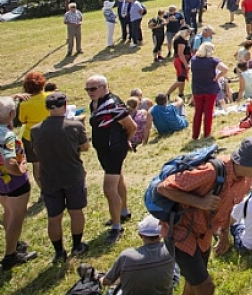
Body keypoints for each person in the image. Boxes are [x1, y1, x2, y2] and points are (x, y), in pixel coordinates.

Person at [156, 137, 252, 295]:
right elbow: (164, 188)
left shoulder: (246, 180)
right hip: (180, 233)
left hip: (203, 235)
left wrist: (224, 232)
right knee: (206, 287)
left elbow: (229, 206)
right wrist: (199, 202)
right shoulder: (211, 172)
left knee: (193, 283)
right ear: (244, 162)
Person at [30, 91, 90, 264]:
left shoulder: (35, 130)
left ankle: (58, 252)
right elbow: (85, 147)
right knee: (76, 212)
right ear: (65, 106)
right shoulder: (75, 126)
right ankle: (77, 246)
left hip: (49, 178)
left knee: (54, 217)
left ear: (47, 108)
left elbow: (35, 152)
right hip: (72, 175)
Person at [85, 74, 137, 242]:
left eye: (93, 89)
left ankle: (116, 227)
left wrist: (125, 140)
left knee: (109, 189)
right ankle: (123, 212)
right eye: (87, 89)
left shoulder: (113, 104)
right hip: (103, 149)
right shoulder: (94, 103)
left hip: (114, 149)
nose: (89, 92)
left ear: (104, 87)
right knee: (118, 179)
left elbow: (132, 126)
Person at [0, 96, 36, 269]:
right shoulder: (7, 136)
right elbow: (10, 162)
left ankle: (13, 243)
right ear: (12, 114)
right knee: (17, 217)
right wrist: (19, 170)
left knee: (8, 211)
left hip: (0, 181)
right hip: (14, 182)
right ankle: (10, 255)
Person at [100, 216, 176, 295]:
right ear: (162, 234)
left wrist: (99, 278)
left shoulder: (127, 256)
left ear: (140, 235)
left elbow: (107, 281)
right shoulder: (171, 250)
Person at [189, 42, 229, 140]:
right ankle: (207, 134)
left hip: (197, 89)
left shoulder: (194, 60)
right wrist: (217, 77)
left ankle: (195, 135)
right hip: (211, 89)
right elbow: (225, 69)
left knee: (198, 112)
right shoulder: (213, 61)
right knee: (208, 112)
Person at [16, 70, 47, 187]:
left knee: (37, 164)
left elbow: (22, 120)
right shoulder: (49, 97)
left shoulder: (24, 104)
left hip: (31, 137)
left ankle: (43, 190)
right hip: (49, 133)